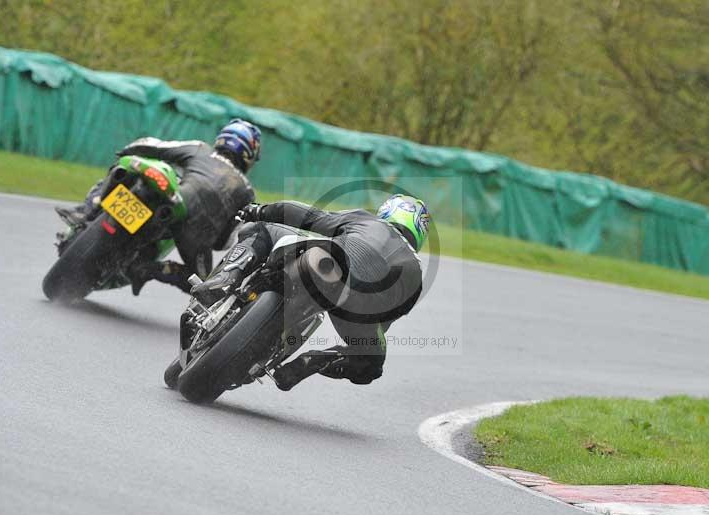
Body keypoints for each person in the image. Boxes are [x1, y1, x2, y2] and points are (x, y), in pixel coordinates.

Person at [191, 194, 430, 390]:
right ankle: (313, 362)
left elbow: (307, 216)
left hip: (326, 262)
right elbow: (383, 323)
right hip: (356, 309)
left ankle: (225, 279)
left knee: (261, 229)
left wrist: (259, 210)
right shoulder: (416, 276)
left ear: (388, 211)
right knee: (372, 363)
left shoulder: (366, 220)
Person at [56, 119, 261, 295]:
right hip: (193, 236)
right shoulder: (247, 192)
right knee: (202, 284)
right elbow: (223, 241)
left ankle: (87, 211)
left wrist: (125, 152)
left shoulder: (200, 149)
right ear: (249, 154)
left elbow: (153, 146)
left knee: (124, 168)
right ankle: (149, 269)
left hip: (174, 200)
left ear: (222, 138)